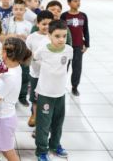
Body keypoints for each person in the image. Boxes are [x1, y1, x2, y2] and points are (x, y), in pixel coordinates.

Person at [0, 37, 32, 161]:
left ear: (5, 53)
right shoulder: (13, 66)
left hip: (1, 120)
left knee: (6, 151)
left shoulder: (10, 77)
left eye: (1, 50)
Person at [34, 20, 73, 161]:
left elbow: (66, 67)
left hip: (60, 93)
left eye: (64, 35)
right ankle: (41, 151)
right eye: (57, 36)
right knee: (44, 124)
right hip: (45, 93)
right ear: (49, 35)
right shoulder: (43, 49)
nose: (61, 39)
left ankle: (55, 144)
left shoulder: (69, 50)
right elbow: (35, 59)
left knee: (58, 122)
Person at [25, 10, 54, 128]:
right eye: (44, 24)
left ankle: (46, 119)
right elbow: (27, 54)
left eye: (49, 24)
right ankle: (34, 115)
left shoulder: (54, 37)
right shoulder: (32, 37)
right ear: (38, 23)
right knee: (35, 98)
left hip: (49, 75)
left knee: (46, 98)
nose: (46, 27)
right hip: (35, 74)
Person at [61, 0, 89, 96]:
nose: (78, 3)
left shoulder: (83, 15)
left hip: (78, 45)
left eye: (79, 1)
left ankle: (75, 87)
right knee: (64, 67)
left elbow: (86, 30)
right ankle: (61, 86)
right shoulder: (64, 15)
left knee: (77, 67)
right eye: (75, 1)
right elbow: (61, 30)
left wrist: (87, 44)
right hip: (66, 46)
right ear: (69, 3)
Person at [5, 0, 32, 107]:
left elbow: (31, 40)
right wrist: (12, 36)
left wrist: (26, 38)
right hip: (11, 54)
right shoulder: (7, 22)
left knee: (25, 76)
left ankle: (22, 97)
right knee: (10, 76)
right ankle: (10, 97)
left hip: (24, 53)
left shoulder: (28, 24)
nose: (18, 11)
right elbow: (2, 36)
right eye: (16, 9)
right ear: (12, 10)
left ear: (25, 10)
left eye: (21, 9)